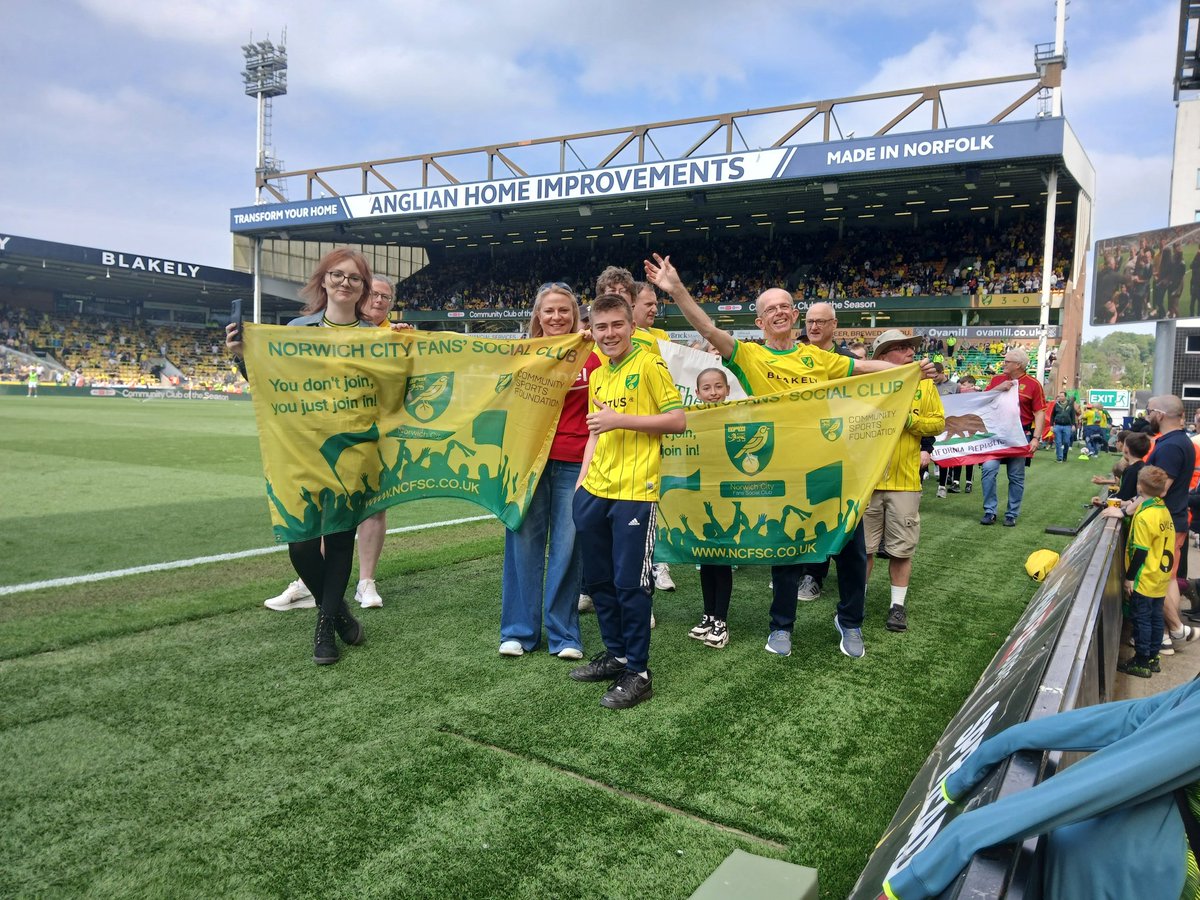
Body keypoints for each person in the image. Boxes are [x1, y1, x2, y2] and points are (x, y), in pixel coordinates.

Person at [645, 253, 935, 660]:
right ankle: (781, 626)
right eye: (770, 309)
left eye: (785, 306)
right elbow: (707, 327)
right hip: (786, 470)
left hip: (833, 467)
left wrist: (909, 371)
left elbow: (864, 368)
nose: (779, 312)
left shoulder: (817, 357)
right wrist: (676, 290)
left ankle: (849, 621)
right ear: (760, 322)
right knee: (787, 551)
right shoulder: (749, 356)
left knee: (851, 551)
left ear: (794, 316)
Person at [881, 678, 1200, 900]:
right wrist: (1009, 740)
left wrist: (937, 859)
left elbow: (1117, 774)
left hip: (1141, 880)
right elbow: (1138, 717)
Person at [226, 247, 374, 665]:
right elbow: (270, 384)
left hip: (351, 451)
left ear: (363, 289)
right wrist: (242, 358)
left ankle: (325, 629)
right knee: (301, 543)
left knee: (341, 536)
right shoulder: (295, 328)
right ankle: (342, 615)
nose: (345, 283)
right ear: (323, 279)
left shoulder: (375, 336)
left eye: (355, 278)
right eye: (338, 275)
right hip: (299, 448)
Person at [568, 294, 685, 709]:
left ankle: (639, 671)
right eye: (601, 327)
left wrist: (622, 420)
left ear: (630, 326)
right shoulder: (598, 374)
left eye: (617, 325)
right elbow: (595, 432)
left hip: (635, 493)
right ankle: (616, 655)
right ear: (593, 330)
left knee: (630, 584)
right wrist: (581, 486)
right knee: (599, 582)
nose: (610, 334)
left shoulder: (649, 364)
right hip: (595, 492)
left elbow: (677, 420)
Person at [263, 274, 397, 612]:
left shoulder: (394, 337)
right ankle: (310, 584)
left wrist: (407, 348)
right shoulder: (315, 329)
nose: (379, 301)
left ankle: (366, 582)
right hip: (321, 437)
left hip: (373, 435)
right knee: (324, 508)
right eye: (376, 294)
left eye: (386, 297)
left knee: (372, 506)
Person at [498, 283, 598, 661]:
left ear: (575, 315)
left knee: (568, 549)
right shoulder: (522, 356)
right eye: (549, 311)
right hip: (527, 464)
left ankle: (564, 633)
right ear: (537, 316)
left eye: (564, 311)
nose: (556, 317)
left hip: (575, 461)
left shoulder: (592, 355)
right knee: (522, 541)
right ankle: (519, 632)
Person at [791, 302, 871, 618]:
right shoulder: (796, 360)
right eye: (810, 321)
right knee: (807, 510)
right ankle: (807, 572)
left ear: (834, 324)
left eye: (821, 321)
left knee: (842, 515)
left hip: (842, 451)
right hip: (803, 450)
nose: (814, 327)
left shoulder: (849, 362)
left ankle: (838, 589)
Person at [863, 331, 946, 633]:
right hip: (868, 480)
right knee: (865, 549)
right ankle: (857, 599)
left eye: (910, 347)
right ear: (882, 357)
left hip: (906, 480)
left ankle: (897, 607)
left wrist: (909, 422)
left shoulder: (925, 386)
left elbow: (938, 423)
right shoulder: (867, 384)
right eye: (900, 348)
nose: (910, 352)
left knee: (901, 550)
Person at [1103, 465, 1174, 677]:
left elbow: (1141, 551)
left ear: (1139, 487)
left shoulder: (1145, 516)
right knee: (1155, 618)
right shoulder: (1163, 509)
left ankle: (1141, 660)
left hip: (1145, 577)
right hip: (1161, 577)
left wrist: (1130, 578)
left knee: (1141, 619)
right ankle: (1153, 657)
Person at [1143, 394, 1200, 656]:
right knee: (1168, 579)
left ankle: (1175, 630)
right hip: (1172, 520)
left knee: (1160, 579)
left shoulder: (1171, 446)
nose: (1146, 416)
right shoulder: (1176, 442)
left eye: (1148, 411)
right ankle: (1166, 634)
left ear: (1160, 414)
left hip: (1166, 521)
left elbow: (1160, 489)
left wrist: (1133, 503)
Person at [632, 280, 677, 594]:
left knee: (654, 502)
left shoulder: (661, 338)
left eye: (655, 303)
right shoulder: (607, 336)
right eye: (648, 303)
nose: (654, 309)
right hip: (619, 434)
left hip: (653, 434)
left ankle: (659, 566)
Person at [688, 367, 735, 649]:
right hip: (700, 500)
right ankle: (707, 614)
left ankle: (721, 619)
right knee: (705, 558)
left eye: (718, 386)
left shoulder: (736, 417)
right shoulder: (692, 419)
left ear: (728, 390)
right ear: (697, 393)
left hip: (726, 501)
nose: (713, 392)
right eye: (707, 388)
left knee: (722, 559)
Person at [979, 348, 1046, 527]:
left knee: (1016, 476)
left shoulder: (1033, 384)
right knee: (988, 470)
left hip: (1020, 435)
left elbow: (1039, 413)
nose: (1003, 363)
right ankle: (989, 511)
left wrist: (1036, 438)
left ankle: (1011, 514)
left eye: (1007, 361)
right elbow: (982, 401)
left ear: (1018, 365)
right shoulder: (996, 380)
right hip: (996, 434)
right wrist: (997, 389)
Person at [1049, 390, 1077, 463]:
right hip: (1058, 426)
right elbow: (1052, 415)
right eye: (1059, 396)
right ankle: (1059, 458)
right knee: (1058, 442)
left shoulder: (1070, 405)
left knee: (1066, 442)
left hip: (1067, 426)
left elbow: (1073, 416)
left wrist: (1073, 425)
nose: (1060, 397)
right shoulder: (1056, 405)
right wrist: (1051, 425)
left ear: (1065, 397)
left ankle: (1064, 455)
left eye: (1062, 396)